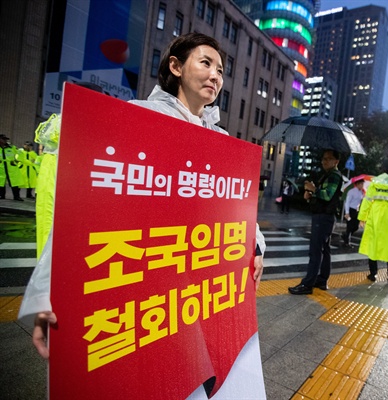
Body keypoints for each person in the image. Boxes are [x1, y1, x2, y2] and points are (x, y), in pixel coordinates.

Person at [20, 33, 266, 365]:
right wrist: (49, 293)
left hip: (197, 291)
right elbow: (87, 206)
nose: (215, 76)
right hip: (146, 281)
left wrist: (257, 246)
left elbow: (238, 207)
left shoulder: (221, 140)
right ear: (176, 66)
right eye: (206, 63)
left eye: (221, 71)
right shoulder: (140, 117)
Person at [288, 149, 344, 295]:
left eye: (328, 158)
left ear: (336, 161)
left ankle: (308, 284)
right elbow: (322, 196)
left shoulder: (334, 176)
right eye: (323, 158)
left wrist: (314, 189)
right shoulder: (328, 175)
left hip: (323, 217)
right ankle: (322, 280)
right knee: (324, 249)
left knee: (316, 251)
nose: (324, 161)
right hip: (324, 217)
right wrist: (310, 194)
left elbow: (326, 195)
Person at [357, 159, 388, 283]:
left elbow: (367, 200)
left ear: (382, 168)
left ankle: (373, 274)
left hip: (375, 215)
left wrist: (362, 217)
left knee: (373, 244)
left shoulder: (374, 182)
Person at [0, 134, 25, 201]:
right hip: (1, 168)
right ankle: (1, 196)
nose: (5, 141)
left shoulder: (12, 147)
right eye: (3, 139)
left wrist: (17, 161)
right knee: (1, 182)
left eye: (5, 139)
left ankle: (16, 196)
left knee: (14, 182)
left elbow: (21, 153)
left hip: (11, 167)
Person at [342, 178, 365, 246]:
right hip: (350, 210)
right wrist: (347, 212)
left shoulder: (362, 192)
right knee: (349, 226)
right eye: (361, 184)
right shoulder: (351, 191)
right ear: (357, 184)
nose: (362, 185)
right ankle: (347, 242)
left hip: (356, 211)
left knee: (356, 227)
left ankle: (345, 236)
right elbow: (347, 202)